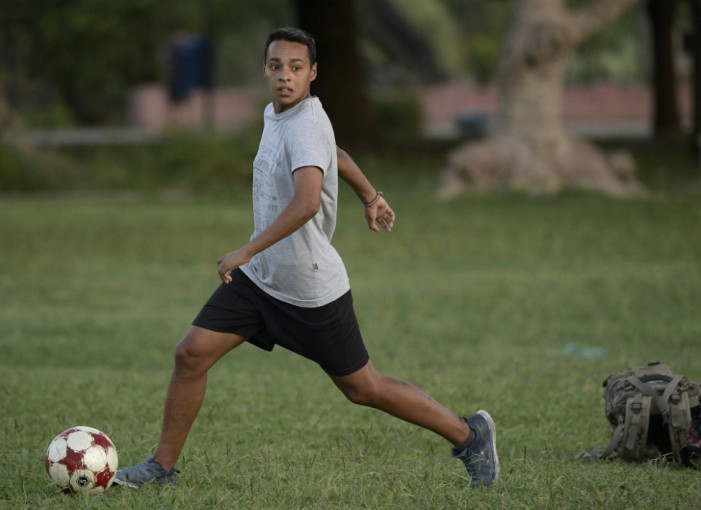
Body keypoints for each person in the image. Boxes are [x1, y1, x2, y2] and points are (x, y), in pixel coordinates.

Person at [114, 27, 498, 489]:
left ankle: (469, 434)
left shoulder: (307, 121)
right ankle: (161, 468)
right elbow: (333, 153)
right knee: (191, 353)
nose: (285, 77)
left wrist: (246, 249)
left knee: (364, 388)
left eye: (296, 68)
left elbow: (307, 202)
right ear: (264, 70)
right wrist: (370, 194)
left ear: (313, 73)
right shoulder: (279, 115)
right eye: (276, 66)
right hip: (260, 281)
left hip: (309, 290)